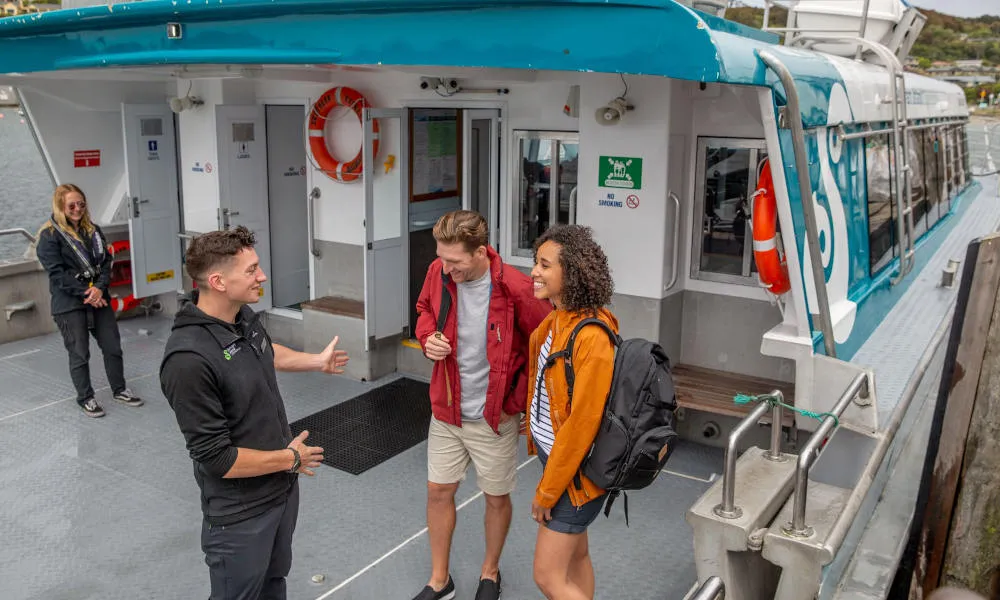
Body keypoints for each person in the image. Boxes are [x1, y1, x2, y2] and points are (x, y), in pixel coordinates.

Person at [159, 226, 349, 600]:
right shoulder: (188, 359)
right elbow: (218, 458)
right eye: (251, 270)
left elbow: (264, 349)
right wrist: (290, 458)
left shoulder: (241, 317)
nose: (262, 276)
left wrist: (316, 361)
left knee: (274, 585)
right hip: (240, 515)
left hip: (280, 491)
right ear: (217, 281)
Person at [413, 210, 552, 600]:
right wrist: (427, 339)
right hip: (447, 410)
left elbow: (546, 346)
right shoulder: (437, 273)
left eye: (455, 261)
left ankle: (490, 572)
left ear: (480, 253)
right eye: (442, 258)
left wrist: (519, 400)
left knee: (495, 497)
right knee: (438, 492)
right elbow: (424, 309)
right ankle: (440, 580)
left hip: (494, 417)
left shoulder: (518, 288)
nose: (446, 267)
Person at [526, 224, 617, 600]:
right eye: (536, 262)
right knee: (577, 557)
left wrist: (547, 493)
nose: (534, 271)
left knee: (547, 576)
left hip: (574, 477)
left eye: (545, 265)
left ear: (573, 273)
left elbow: (581, 426)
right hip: (559, 465)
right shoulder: (558, 320)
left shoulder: (591, 337)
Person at [36, 183, 143, 418]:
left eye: (81, 204)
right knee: (79, 353)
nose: (77, 209)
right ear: (61, 207)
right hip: (70, 304)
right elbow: (57, 274)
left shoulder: (93, 231)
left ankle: (119, 389)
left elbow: (105, 262)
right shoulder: (49, 237)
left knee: (113, 347)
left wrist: (99, 289)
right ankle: (85, 398)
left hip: (99, 299)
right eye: (72, 205)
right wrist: (88, 293)